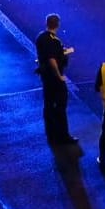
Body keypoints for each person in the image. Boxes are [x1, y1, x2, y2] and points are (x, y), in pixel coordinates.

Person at [36, 14, 74, 146]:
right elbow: (52, 59)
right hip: (54, 78)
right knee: (61, 106)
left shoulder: (41, 37)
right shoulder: (54, 40)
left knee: (48, 104)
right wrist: (59, 76)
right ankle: (63, 135)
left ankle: (50, 133)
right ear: (57, 24)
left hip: (46, 77)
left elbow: (46, 55)